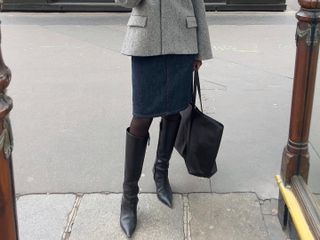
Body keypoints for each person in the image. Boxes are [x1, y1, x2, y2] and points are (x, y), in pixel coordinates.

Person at [114, 0, 213, 237]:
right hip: (145, 41)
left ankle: (161, 173)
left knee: (174, 111)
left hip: (182, 40)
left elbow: (197, 4)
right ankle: (129, 198)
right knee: (141, 118)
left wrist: (201, 50)